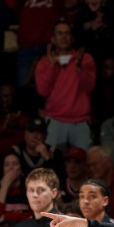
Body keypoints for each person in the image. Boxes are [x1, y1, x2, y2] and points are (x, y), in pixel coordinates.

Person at [35, 20, 96, 151]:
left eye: (67, 33)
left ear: (72, 38)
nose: (64, 37)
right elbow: (42, 91)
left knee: (84, 165)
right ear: (53, 38)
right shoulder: (44, 62)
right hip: (55, 120)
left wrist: (79, 69)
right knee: (52, 163)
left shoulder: (85, 59)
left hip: (81, 121)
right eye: (60, 33)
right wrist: (51, 67)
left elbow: (90, 86)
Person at [86, 145, 114, 220]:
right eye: (89, 166)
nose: (91, 169)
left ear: (108, 162)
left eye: (95, 164)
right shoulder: (88, 185)